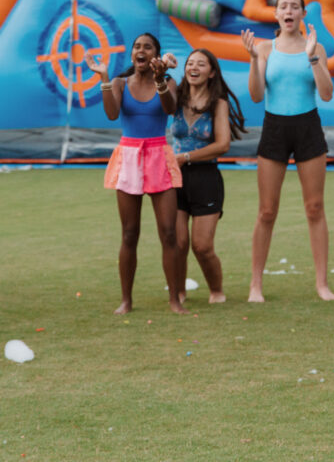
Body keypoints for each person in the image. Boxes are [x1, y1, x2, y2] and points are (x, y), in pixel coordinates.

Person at [241, 0, 334, 302]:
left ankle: (322, 284)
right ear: (276, 14)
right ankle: (255, 285)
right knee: (267, 211)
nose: (289, 11)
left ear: (302, 15)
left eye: (295, 7)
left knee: (315, 207)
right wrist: (253, 60)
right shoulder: (265, 49)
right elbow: (256, 95)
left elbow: (327, 94)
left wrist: (312, 57)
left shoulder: (316, 48)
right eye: (283, 6)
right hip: (275, 129)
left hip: (308, 128)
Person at [85, 32, 186, 315]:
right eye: (137, 47)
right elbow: (111, 114)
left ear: (156, 55)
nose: (141, 50)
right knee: (129, 234)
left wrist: (160, 80)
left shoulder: (168, 82)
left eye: (148, 47)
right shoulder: (119, 83)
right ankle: (126, 301)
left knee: (169, 233)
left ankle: (174, 300)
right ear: (132, 54)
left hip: (158, 156)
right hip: (129, 158)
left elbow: (170, 108)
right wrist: (104, 76)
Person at [152, 48, 245, 304]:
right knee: (178, 242)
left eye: (201, 64)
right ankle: (178, 291)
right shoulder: (176, 97)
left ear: (212, 72)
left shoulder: (218, 104)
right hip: (175, 178)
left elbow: (223, 145)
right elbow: (158, 84)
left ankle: (217, 291)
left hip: (206, 178)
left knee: (202, 246)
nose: (194, 67)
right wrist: (164, 66)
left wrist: (186, 157)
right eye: (190, 63)